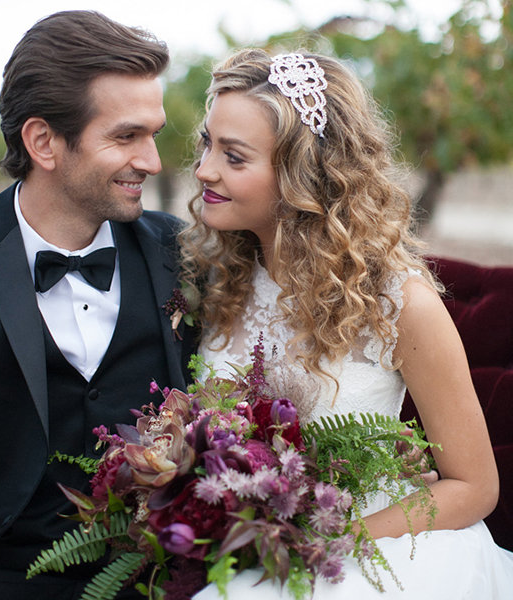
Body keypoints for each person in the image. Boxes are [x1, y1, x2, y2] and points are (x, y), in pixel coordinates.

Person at [179, 48, 513, 598]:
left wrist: (326, 542)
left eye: (234, 157)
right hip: (242, 548)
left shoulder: (399, 305)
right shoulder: (216, 280)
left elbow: (474, 487)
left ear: (298, 174)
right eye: (206, 144)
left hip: (373, 551)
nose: (204, 169)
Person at [0, 10, 194, 600]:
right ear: (44, 141)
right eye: (125, 136)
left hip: (164, 580)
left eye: (154, 134)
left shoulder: (190, 257)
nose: (152, 161)